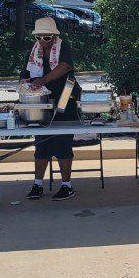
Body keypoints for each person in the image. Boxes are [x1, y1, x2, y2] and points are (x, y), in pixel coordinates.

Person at [24, 17, 80, 202]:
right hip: (42, 102)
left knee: (62, 143)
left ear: (54, 36)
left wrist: (43, 80)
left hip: (65, 97)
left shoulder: (64, 46)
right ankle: (38, 184)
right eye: (39, 37)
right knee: (42, 143)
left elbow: (65, 66)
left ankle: (67, 185)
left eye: (47, 38)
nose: (42, 42)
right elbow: (25, 74)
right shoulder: (34, 51)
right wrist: (24, 86)